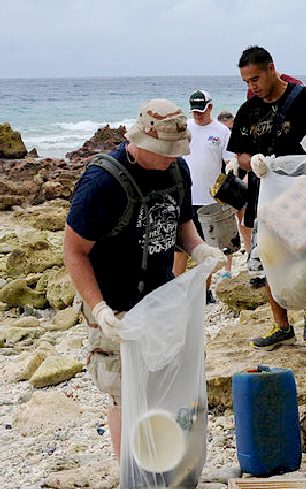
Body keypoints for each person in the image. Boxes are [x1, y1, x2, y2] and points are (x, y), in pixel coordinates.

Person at [63, 99, 227, 460]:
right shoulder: (102, 182)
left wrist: (198, 249)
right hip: (114, 306)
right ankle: (132, 472)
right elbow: (74, 251)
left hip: (161, 298)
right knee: (124, 392)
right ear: (141, 140)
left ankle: (163, 465)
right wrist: (99, 308)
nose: (172, 157)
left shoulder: (176, 170)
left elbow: (182, 220)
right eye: (165, 151)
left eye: (176, 151)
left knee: (164, 383)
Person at [226, 46, 306, 349]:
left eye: (255, 79)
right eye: (246, 82)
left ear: (271, 69)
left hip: (304, 192)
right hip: (263, 194)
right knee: (266, 259)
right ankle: (282, 326)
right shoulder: (248, 110)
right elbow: (239, 152)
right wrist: (251, 162)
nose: (251, 87)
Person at [173, 90, 235, 302]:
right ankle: (175, 291)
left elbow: (229, 163)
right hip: (185, 198)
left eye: (202, 110)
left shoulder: (222, 131)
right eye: (195, 111)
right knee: (179, 248)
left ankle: (205, 292)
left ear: (210, 107)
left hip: (210, 201)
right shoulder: (185, 128)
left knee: (208, 248)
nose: (198, 115)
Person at [217, 110, 253, 259]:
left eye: (230, 128)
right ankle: (240, 255)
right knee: (233, 219)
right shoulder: (221, 135)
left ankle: (251, 253)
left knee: (245, 219)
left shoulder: (242, 133)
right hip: (226, 179)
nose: (228, 131)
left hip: (243, 177)